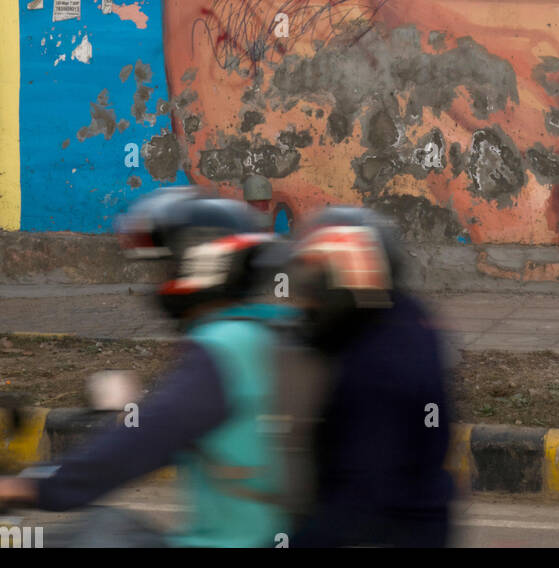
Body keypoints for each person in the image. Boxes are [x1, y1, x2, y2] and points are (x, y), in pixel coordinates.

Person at [0, 187, 297, 547]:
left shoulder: (223, 344)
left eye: (167, 266)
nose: (160, 281)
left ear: (204, 262)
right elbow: (169, 424)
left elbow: (138, 444)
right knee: (110, 527)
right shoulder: (256, 331)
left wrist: (28, 486)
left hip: (235, 542)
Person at [287, 205, 454, 548]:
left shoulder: (377, 373)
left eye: (316, 291)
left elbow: (357, 502)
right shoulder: (406, 317)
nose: (305, 304)